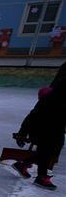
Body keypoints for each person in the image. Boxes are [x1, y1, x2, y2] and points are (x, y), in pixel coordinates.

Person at [12, 62, 66, 190]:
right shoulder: (54, 95)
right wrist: (22, 133)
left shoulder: (56, 93)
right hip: (45, 127)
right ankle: (41, 176)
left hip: (54, 125)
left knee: (52, 150)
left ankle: (24, 165)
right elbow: (33, 116)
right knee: (48, 150)